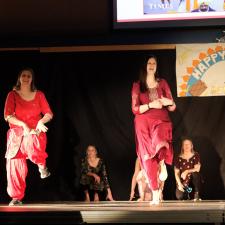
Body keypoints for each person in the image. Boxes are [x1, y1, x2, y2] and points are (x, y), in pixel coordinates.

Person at [4, 68, 53, 206]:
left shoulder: (39, 95)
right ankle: (16, 197)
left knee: (33, 142)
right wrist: (23, 125)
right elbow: (8, 116)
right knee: (14, 167)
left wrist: (41, 121)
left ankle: (42, 165)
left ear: (32, 79)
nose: (26, 78)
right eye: (23, 75)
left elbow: (48, 113)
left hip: (35, 131)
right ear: (19, 78)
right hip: (17, 134)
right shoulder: (12, 95)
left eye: (29, 76)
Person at [131, 55, 176, 205]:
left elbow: (172, 106)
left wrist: (166, 101)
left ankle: (161, 162)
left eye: (154, 63)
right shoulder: (138, 85)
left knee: (160, 141)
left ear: (156, 66)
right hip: (143, 123)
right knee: (147, 157)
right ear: (145, 66)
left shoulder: (162, 83)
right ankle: (155, 191)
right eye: (149, 63)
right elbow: (135, 108)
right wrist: (151, 105)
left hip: (160, 120)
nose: (151, 65)